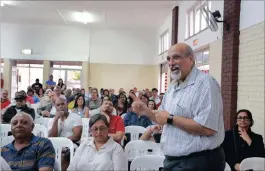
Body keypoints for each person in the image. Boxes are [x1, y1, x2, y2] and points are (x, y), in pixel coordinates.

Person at [131, 43, 225, 171]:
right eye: (169, 59)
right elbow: (162, 117)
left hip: (198, 162)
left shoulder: (205, 84)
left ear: (191, 59)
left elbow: (208, 128)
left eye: (176, 57)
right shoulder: (173, 86)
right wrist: (146, 111)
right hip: (173, 160)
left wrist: (171, 119)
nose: (170, 63)